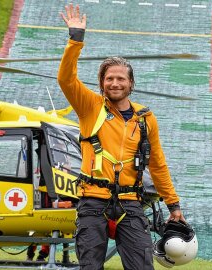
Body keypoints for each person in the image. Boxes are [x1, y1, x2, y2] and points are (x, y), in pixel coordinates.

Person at [58, 4, 186, 269]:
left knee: (141, 265)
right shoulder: (90, 107)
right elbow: (66, 79)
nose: (114, 83)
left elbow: (158, 164)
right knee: (90, 266)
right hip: (93, 202)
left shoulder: (145, 118)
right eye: (109, 79)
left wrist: (173, 204)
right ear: (102, 83)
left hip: (130, 202)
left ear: (131, 84)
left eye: (120, 79)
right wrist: (75, 40)